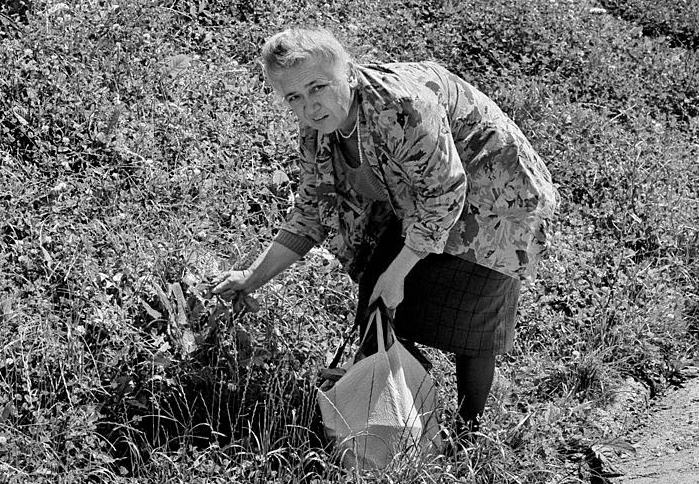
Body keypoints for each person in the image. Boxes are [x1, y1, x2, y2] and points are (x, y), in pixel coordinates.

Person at [211, 27, 558, 435]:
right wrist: (252, 278)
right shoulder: (317, 131)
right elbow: (310, 213)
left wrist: (399, 273)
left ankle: (470, 434)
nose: (309, 105)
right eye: (294, 98)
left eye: (318, 86)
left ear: (350, 75)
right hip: (423, 201)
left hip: (498, 195)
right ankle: (395, 424)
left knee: (472, 319)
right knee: (380, 301)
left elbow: (446, 191)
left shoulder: (402, 106)